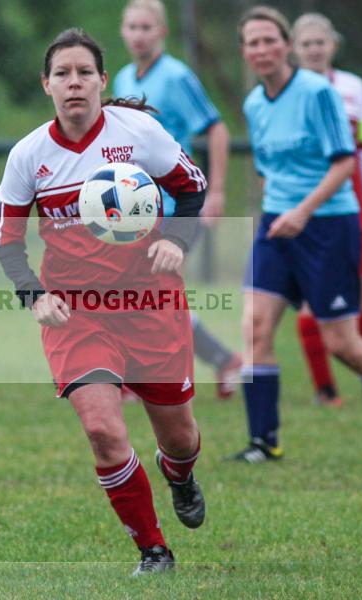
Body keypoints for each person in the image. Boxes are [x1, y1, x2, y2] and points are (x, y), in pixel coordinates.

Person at [0, 28, 208, 575]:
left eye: (84, 72)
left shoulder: (138, 134)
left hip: (150, 303)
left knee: (180, 437)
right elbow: (5, 237)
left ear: (102, 81)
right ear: (46, 85)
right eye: (62, 74)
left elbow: (192, 187)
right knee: (103, 431)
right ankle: (153, 550)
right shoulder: (30, 155)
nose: (73, 83)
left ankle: (179, 474)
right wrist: (33, 295)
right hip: (76, 310)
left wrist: (175, 241)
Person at [226, 6, 362, 463]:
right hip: (277, 224)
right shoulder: (252, 104)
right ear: (244, 52)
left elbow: (344, 162)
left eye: (269, 40)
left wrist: (303, 211)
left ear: (286, 46)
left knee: (341, 344)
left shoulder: (316, 92)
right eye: (252, 42)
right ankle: (264, 442)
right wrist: (277, 211)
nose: (262, 49)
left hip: (327, 224)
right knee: (253, 326)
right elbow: (268, 169)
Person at [114, 0, 242, 399]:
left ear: (162, 32)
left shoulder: (176, 76)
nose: (138, 34)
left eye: (146, 27)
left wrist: (216, 190)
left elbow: (216, 129)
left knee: (156, 293)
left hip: (177, 206)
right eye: (132, 27)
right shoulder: (121, 79)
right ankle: (221, 360)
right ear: (123, 32)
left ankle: (155, 377)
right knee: (141, 293)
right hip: (137, 208)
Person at [292, 12, 362, 407]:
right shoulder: (290, 92)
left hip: (354, 206)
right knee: (309, 299)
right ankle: (325, 388)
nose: (315, 49)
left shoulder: (354, 88)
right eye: (306, 44)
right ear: (294, 50)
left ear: (333, 45)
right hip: (307, 207)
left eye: (321, 42)